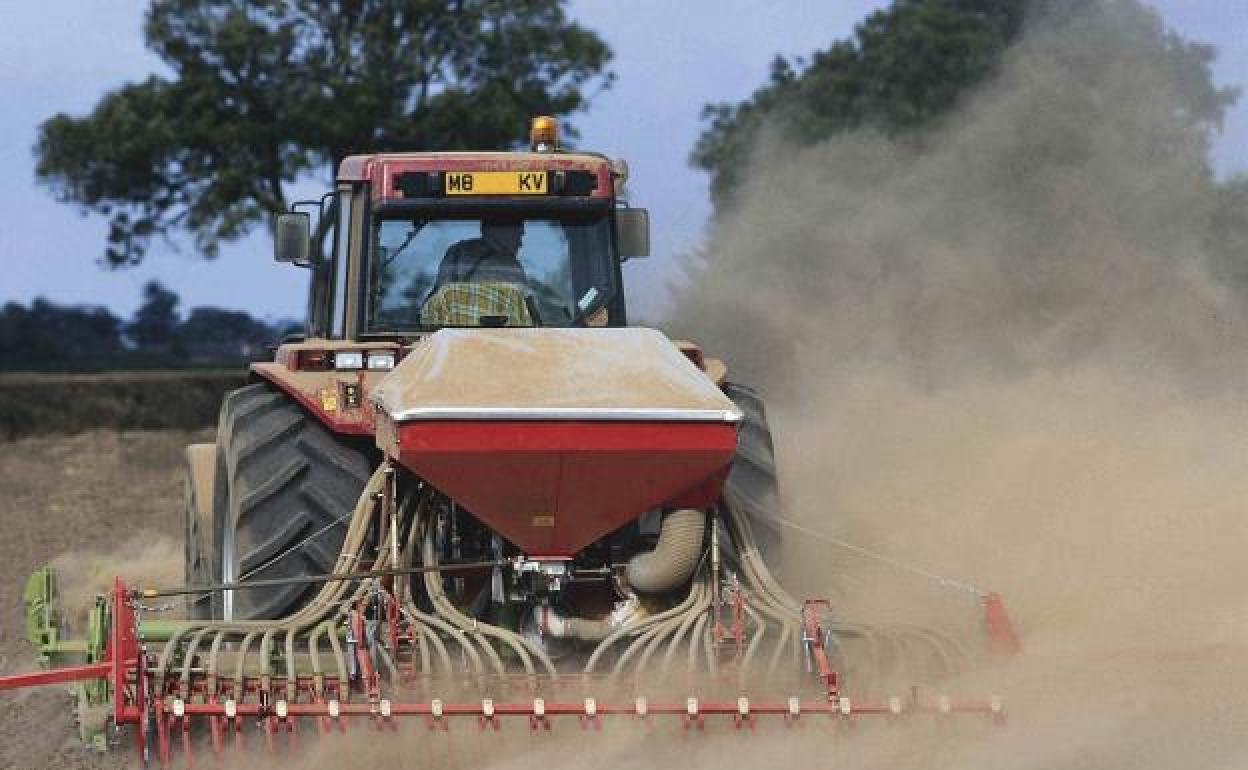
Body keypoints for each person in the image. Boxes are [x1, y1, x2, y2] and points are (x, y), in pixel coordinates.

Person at [435, 219, 529, 287]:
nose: (520, 244)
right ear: (506, 232)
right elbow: (528, 310)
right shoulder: (511, 266)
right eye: (518, 236)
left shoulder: (456, 252)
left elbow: (438, 295)